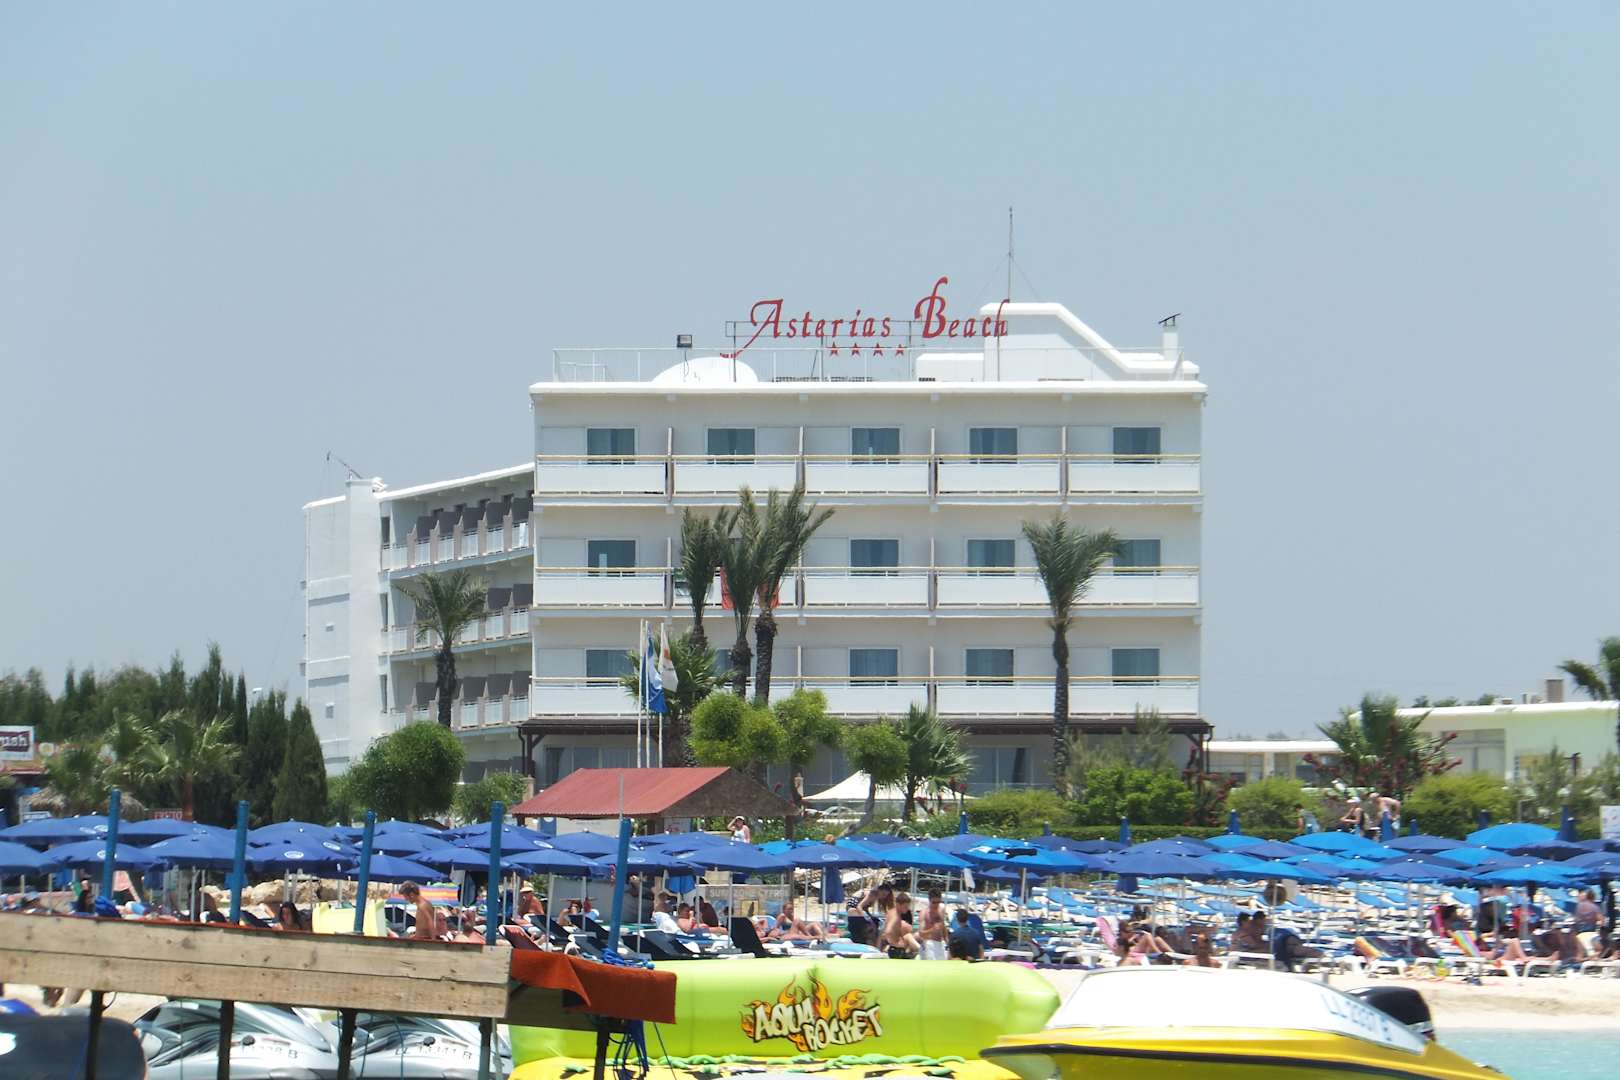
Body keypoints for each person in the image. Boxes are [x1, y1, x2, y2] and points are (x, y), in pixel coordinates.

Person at [882, 892, 920, 957]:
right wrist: (895, 943)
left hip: (894, 949)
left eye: (908, 906)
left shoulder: (892, 912)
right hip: (897, 950)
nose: (907, 909)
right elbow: (888, 931)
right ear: (898, 904)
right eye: (905, 907)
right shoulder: (895, 917)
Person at [919, 889, 949, 959]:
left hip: (941, 944)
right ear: (929, 900)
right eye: (934, 902)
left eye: (938, 902)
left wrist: (947, 940)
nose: (936, 904)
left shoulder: (941, 910)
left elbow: (943, 927)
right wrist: (932, 929)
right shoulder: (924, 913)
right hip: (929, 943)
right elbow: (921, 933)